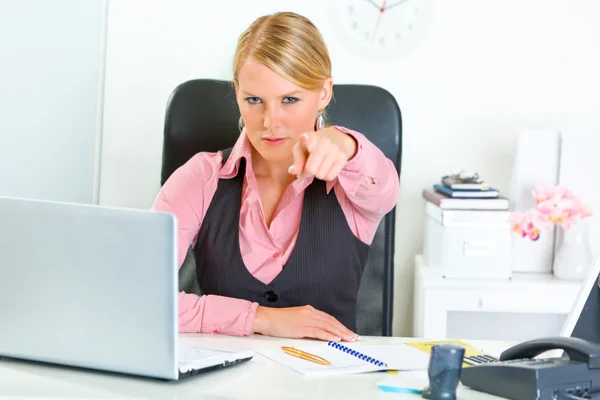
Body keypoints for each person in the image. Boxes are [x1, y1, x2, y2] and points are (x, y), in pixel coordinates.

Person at [151, 11, 400, 343]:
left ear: (324, 93)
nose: (270, 122)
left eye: (290, 100)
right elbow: (143, 295)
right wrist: (261, 318)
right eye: (254, 100)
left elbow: (384, 188)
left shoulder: (352, 180)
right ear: (237, 92)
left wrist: (346, 144)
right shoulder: (202, 177)